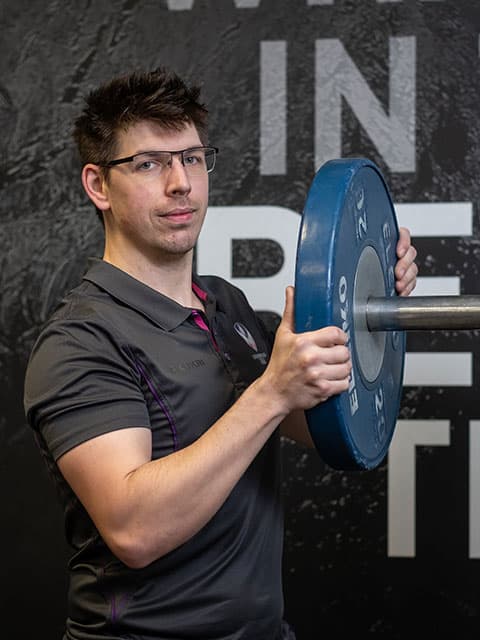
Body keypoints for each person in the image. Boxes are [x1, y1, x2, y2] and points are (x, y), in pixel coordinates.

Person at [23, 67, 418, 640]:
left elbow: (321, 424)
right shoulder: (80, 342)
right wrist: (271, 392)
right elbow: (134, 532)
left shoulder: (226, 307)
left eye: (191, 157)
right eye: (149, 163)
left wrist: (371, 305)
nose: (180, 182)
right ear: (98, 185)